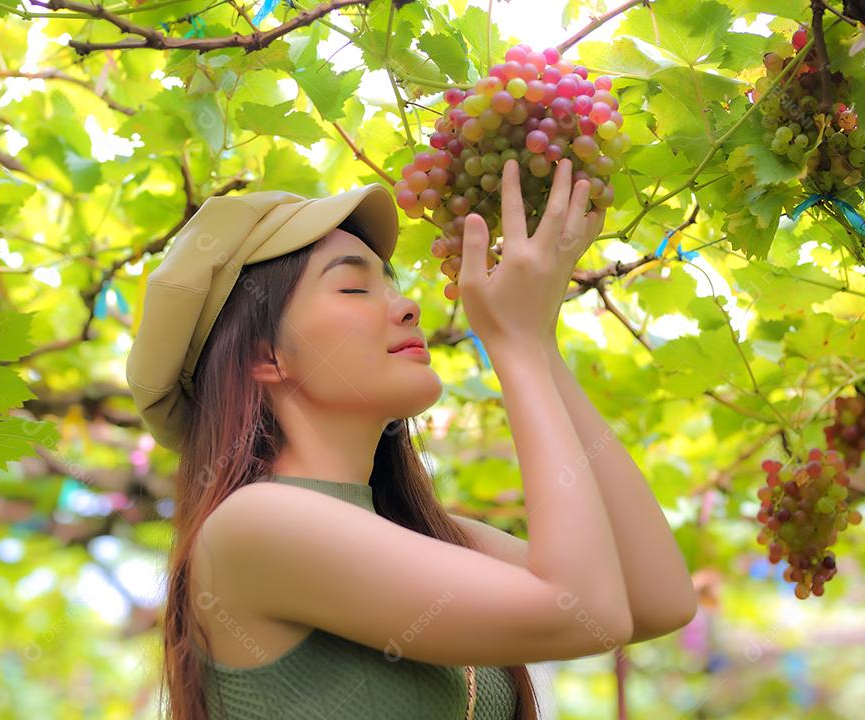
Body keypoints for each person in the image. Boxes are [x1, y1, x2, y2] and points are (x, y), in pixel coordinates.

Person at [125, 158, 698, 720]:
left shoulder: (427, 536)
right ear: (264, 357)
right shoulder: (254, 525)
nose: (406, 307)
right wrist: (515, 347)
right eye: (353, 289)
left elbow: (655, 599)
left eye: (391, 284)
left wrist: (539, 343)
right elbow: (583, 611)